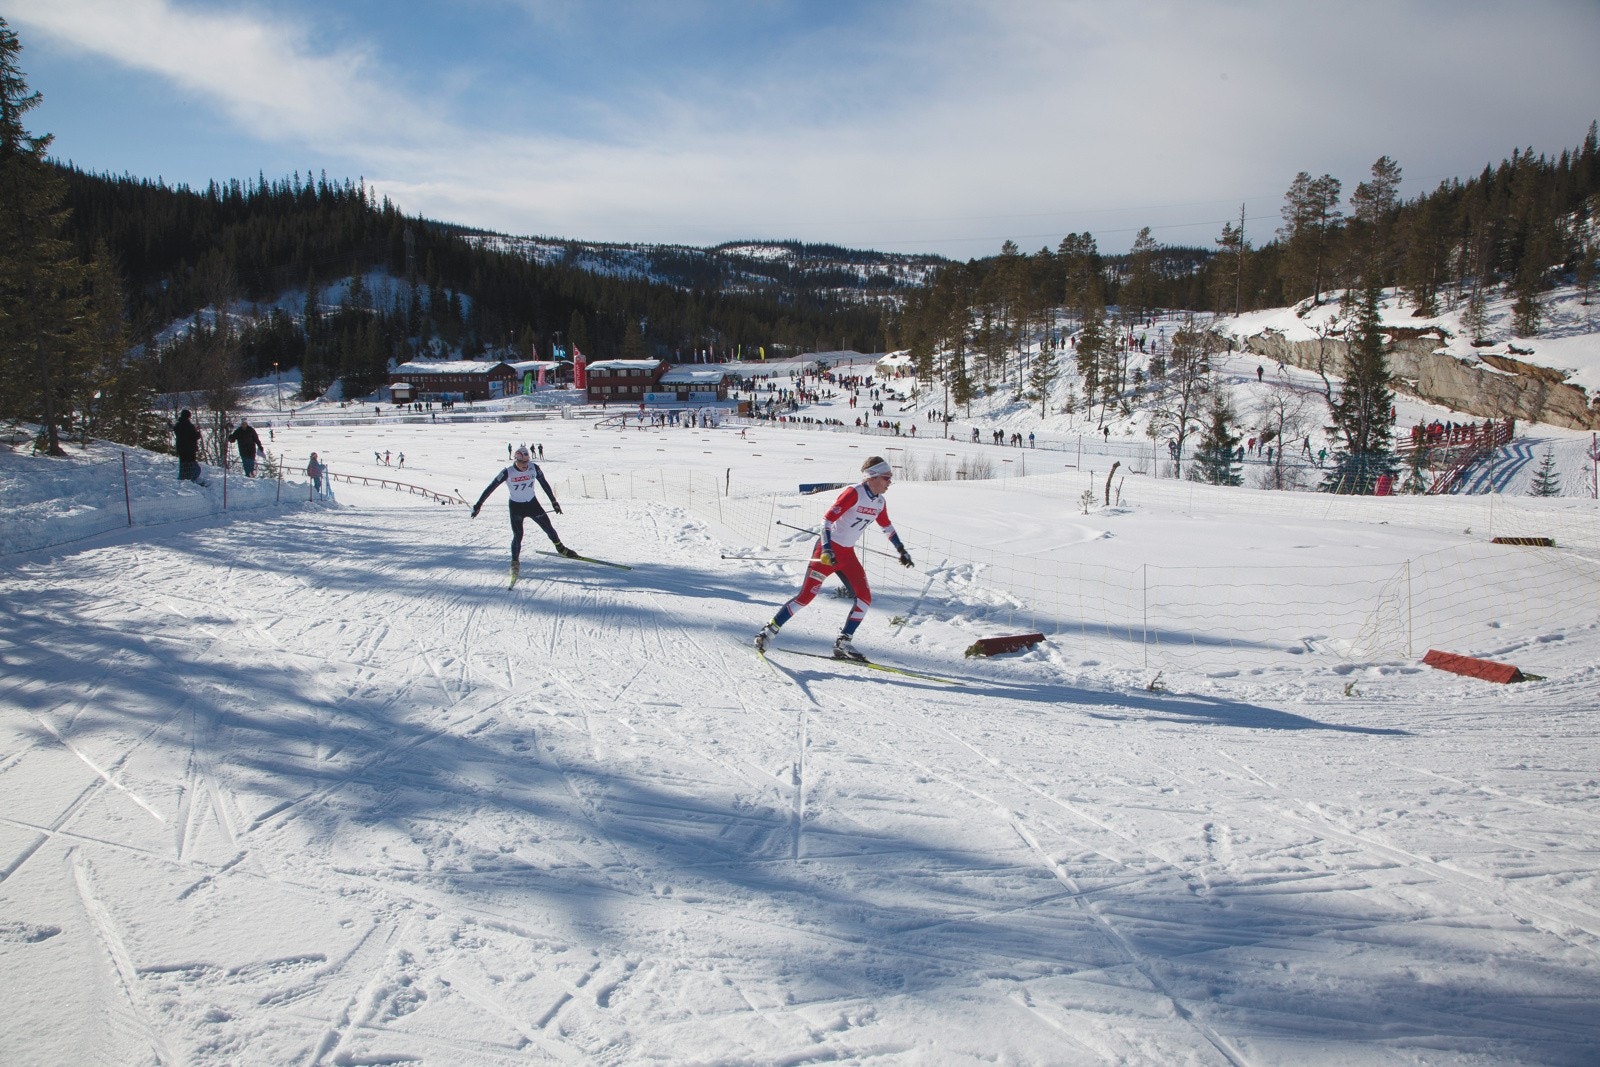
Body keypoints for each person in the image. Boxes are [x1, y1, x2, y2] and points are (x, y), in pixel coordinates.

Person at [753, 456, 913, 661]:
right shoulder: (854, 493)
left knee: (865, 598)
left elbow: (887, 526)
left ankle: (843, 642)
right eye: (886, 477)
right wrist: (827, 549)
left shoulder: (880, 502)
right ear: (872, 477)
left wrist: (901, 549)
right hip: (827, 552)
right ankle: (768, 631)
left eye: (890, 478)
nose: (889, 482)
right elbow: (827, 520)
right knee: (806, 597)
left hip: (847, 555)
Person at [470, 445, 576, 579]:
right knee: (518, 535)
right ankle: (514, 563)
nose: (525, 465)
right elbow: (491, 487)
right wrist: (478, 505)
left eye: (527, 462)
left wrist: (554, 502)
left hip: (532, 504)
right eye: (522, 462)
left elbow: (544, 484)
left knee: (549, 528)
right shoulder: (507, 472)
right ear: (516, 460)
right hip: (516, 507)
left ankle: (561, 548)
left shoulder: (534, 468)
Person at [172, 409, 203, 482]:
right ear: (188, 416)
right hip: (190, 450)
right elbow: (193, 437)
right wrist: (198, 433)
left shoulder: (178, 425)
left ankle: (182, 478)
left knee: (183, 464)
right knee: (192, 466)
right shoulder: (190, 426)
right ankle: (191, 479)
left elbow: (181, 433)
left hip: (181, 449)